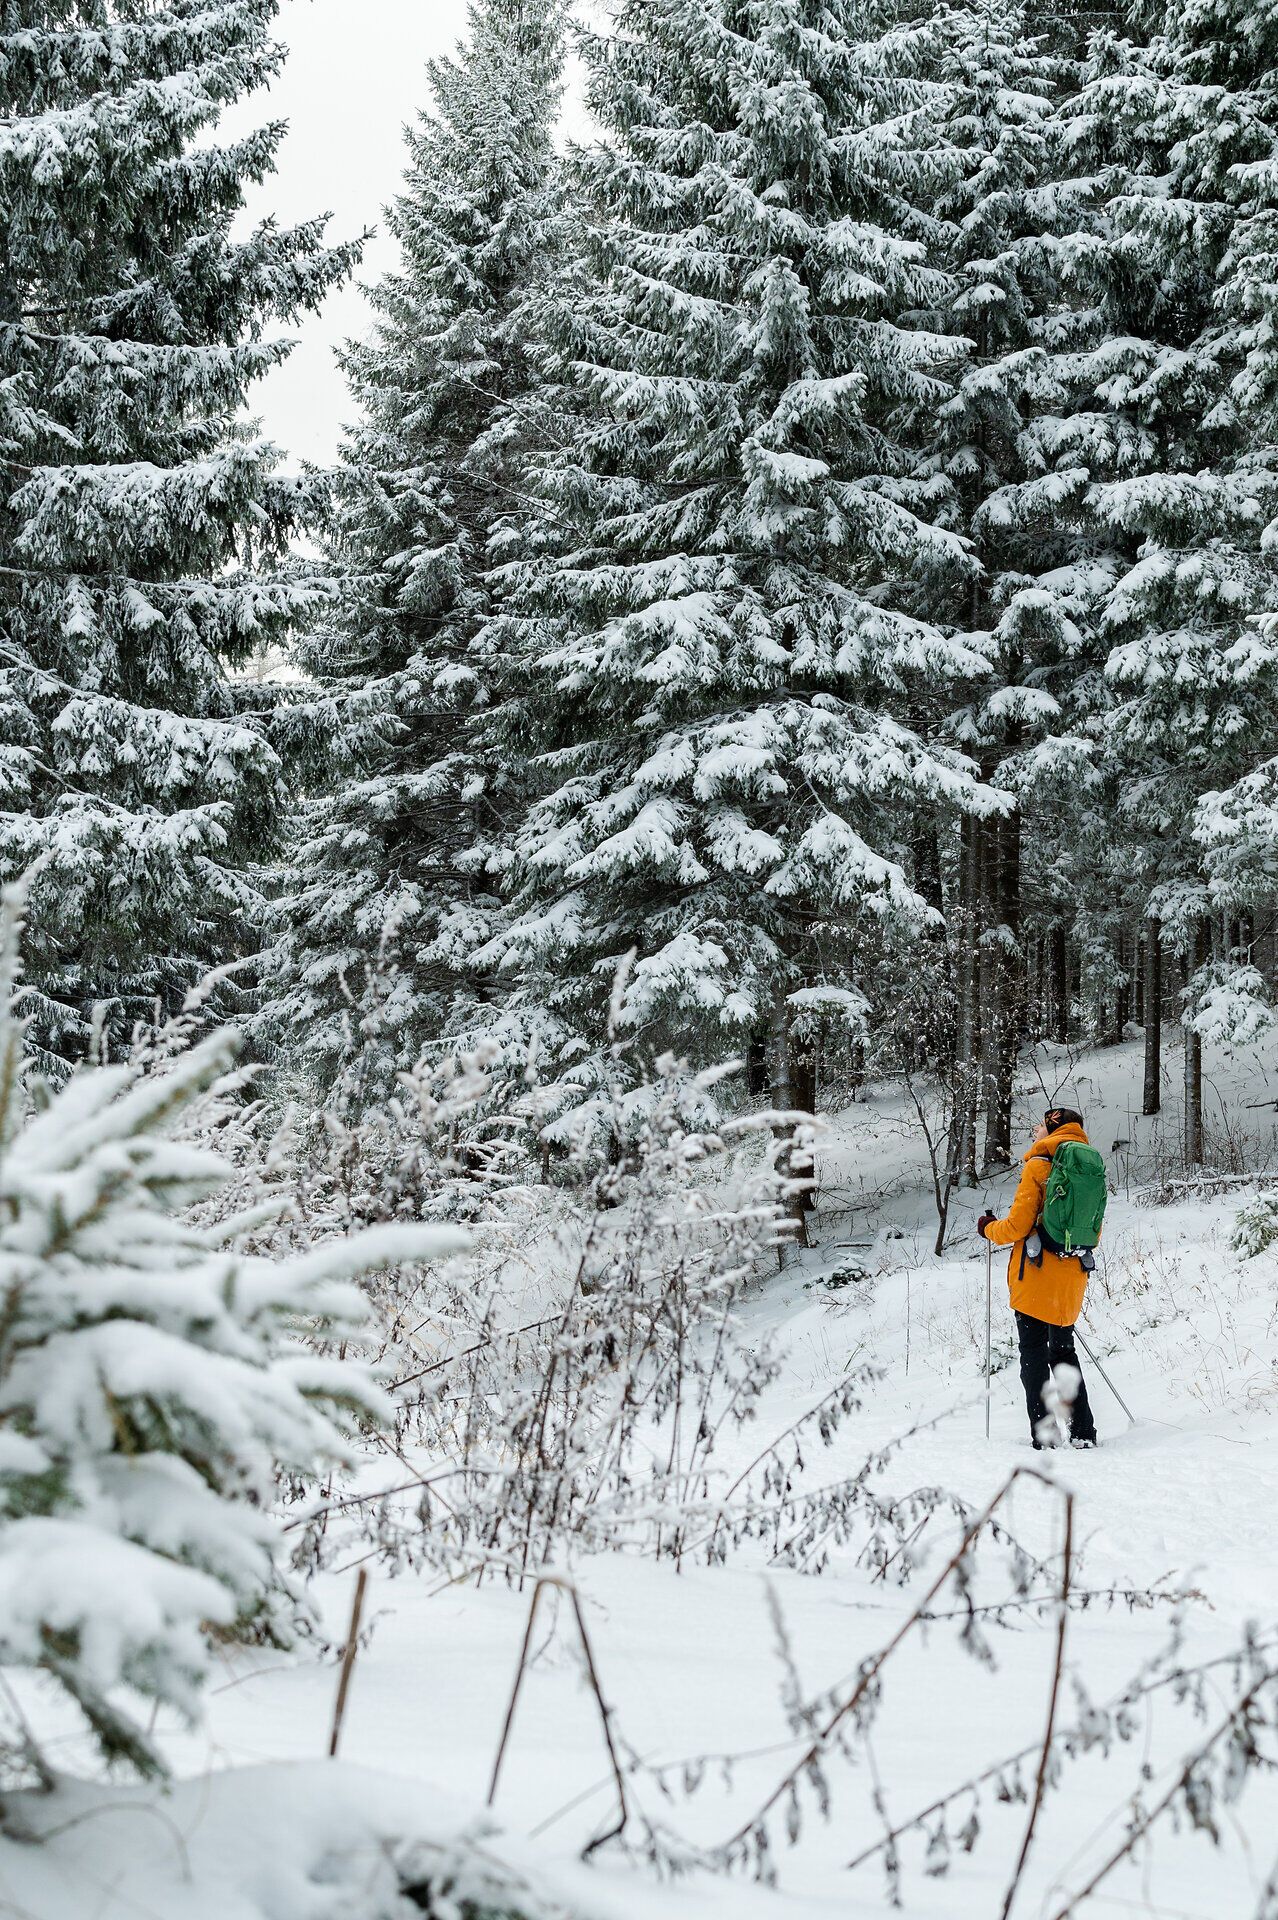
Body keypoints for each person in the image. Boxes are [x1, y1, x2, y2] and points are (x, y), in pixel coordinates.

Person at [977, 1107, 1099, 1450]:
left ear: (1052, 1128)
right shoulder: (1089, 1168)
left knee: (1032, 1353)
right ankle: (1083, 1432)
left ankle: (1045, 1435)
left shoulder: (1038, 1166)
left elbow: (1016, 1226)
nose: (1034, 1133)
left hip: (1035, 1275)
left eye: (1039, 1127)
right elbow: (1093, 1231)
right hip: (1071, 1276)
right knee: (1063, 1352)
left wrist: (988, 1229)